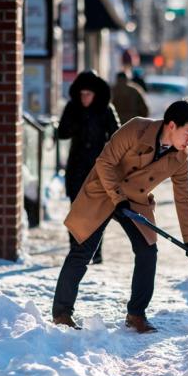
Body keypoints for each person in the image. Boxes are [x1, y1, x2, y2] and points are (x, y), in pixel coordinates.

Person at [52, 100, 188, 333]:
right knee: (82, 250)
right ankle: (62, 313)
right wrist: (117, 198)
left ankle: (136, 314)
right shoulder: (137, 129)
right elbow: (105, 163)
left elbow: (184, 197)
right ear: (172, 125)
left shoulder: (181, 157)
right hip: (105, 191)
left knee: (148, 251)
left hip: (135, 201)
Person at [58, 70, 120, 264]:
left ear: (95, 94)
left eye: (88, 94)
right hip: (76, 166)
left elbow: (117, 136)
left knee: (97, 211)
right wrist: (75, 122)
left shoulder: (106, 109)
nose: (85, 98)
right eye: (82, 94)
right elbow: (62, 133)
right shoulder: (72, 107)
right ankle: (75, 250)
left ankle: (96, 251)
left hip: (98, 167)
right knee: (76, 210)